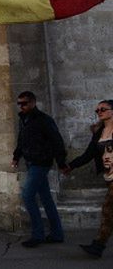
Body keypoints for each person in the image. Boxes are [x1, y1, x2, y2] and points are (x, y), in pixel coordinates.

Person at [11, 91, 68, 248]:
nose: (21, 106)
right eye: (19, 103)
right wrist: (16, 156)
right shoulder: (24, 120)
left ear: (33, 103)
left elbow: (57, 142)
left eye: (25, 103)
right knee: (46, 198)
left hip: (41, 163)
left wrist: (61, 163)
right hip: (31, 162)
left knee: (28, 196)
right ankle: (57, 234)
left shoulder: (44, 120)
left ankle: (38, 235)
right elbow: (21, 140)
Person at [66, 99, 113, 258]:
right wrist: (71, 166)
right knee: (108, 212)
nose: (99, 112)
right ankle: (98, 246)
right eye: (97, 110)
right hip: (109, 177)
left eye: (103, 109)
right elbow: (88, 154)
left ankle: (98, 245)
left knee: (107, 210)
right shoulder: (99, 133)